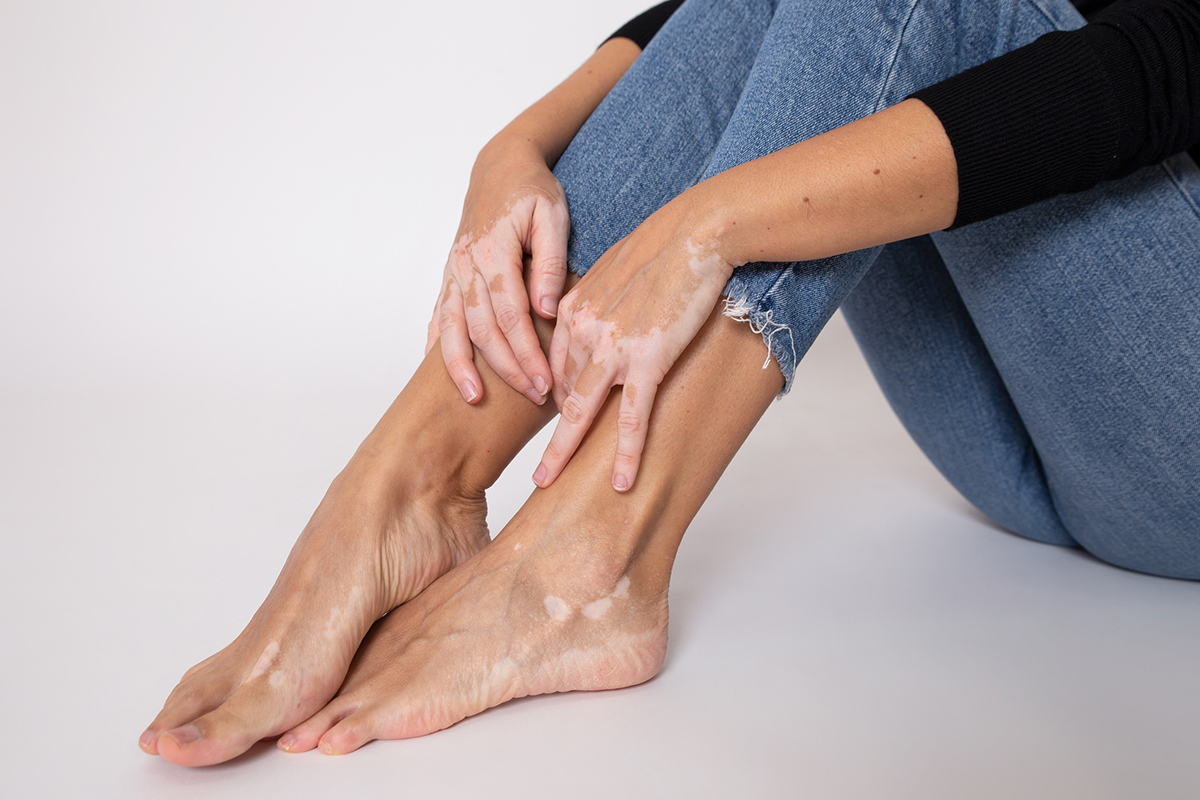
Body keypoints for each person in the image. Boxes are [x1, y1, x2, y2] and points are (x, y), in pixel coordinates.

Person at [139, 0, 1199, 767]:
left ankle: (597, 561)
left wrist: (712, 219)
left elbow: (1162, 67)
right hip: (1037, 427)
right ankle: (409, 487)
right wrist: (518, 141)